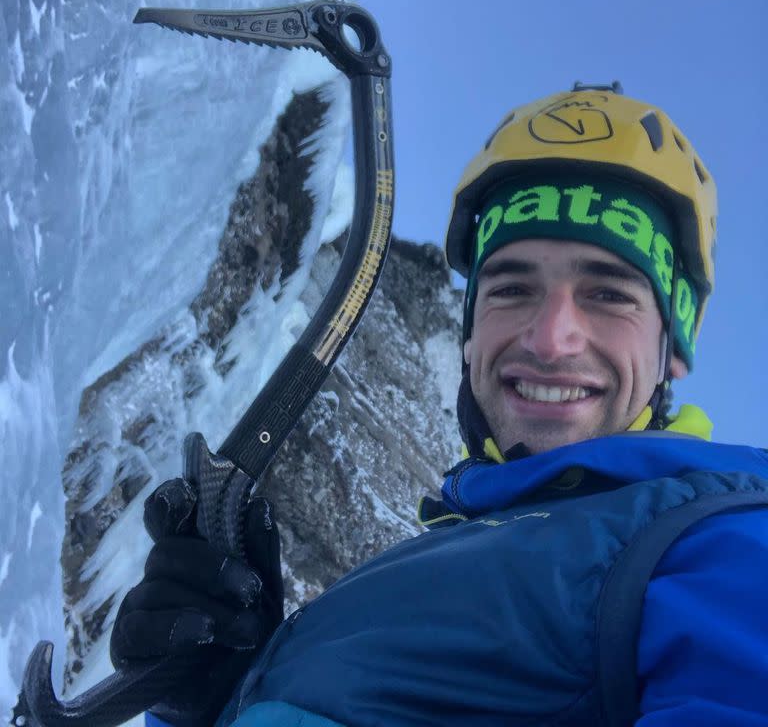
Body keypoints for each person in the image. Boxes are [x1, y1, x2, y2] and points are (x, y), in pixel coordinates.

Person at [111, 83, 768, 727]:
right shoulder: (442, 547)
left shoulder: (725, 543)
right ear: (470, 330)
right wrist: (218, 697)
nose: (549, 338)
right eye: (511, 288)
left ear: (671, 348)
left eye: (608, 294)